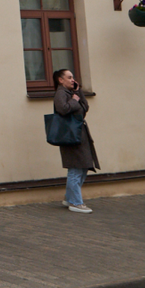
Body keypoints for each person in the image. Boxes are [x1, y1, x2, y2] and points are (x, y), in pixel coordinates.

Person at [53, 68, 99, 213]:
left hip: (78, 135)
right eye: (69, 77)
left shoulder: (71, 93)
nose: (73, 80)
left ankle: (69, 198)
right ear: (61, 80)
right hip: (70, 136)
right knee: (76, 168)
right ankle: (76, 203)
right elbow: (62, 109)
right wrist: (74, 100)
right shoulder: (61, 93)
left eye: (73, 77)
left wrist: (78, 92)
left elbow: (85, 108)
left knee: (82, 166)